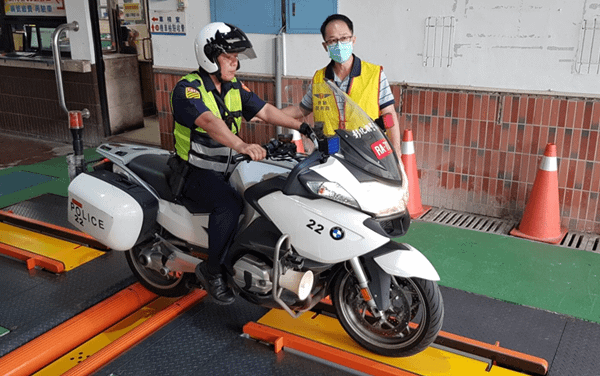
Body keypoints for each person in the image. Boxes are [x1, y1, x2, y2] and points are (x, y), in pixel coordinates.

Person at [170, 22, 312, 304]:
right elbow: (210, 122)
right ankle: (212, 271)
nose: (235, 65)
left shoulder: (234, 87)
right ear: (210, 57)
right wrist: (242, 145)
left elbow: (266, 111)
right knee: (230, 204)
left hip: (228, 168)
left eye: (236, 59)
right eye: (229, 58)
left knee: (268, 194)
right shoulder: (188, 90)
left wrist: (304, 127)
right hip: (193, 173)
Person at [282, 14, 401, 154]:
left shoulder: (375, 74)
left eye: (344, 38)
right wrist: (263, 113)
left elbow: (389, 114)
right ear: (325, 46)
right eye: (332, 40)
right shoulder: (319, 78)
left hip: (368, 152)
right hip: (331, 152)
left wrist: (397, 153)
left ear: (353, 40)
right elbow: (301, 109)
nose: (339, 44)